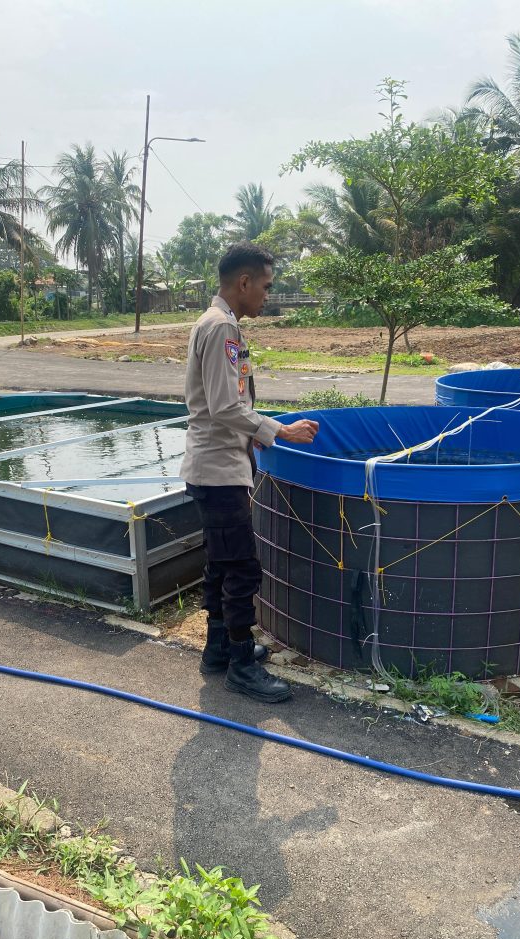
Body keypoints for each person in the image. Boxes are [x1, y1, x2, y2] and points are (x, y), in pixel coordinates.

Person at [181, 242, 319, 703]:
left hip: (217, 466)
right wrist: (279, 430)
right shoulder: (221, 328)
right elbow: (225, 407)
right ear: (243, 283)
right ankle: (241, 664)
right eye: (265, 285)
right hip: (219, 470)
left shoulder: (219, 323)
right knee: (241, 567)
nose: (266, 295)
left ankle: (218, 648)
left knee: (221, 563)